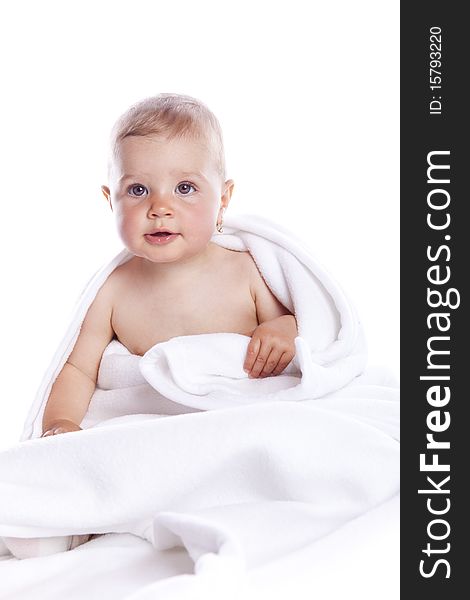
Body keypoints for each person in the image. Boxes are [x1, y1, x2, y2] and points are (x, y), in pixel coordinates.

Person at [2, 93, 298, 559]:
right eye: (138, 190)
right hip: (149, 431)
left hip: (227, 428)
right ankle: (71, 519)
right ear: (110, 198)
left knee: (277, 446)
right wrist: (61, 424)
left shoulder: (247, 270)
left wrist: (284, 330)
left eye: (185, 188)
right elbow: (80, 370)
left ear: (224, 197)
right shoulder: (116, 289)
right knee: (106, 456)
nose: (160, 207)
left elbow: (305, 327)